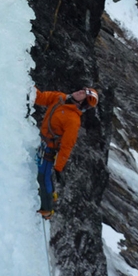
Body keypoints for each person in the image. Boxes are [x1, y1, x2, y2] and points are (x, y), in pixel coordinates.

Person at [34, 87, 99, 219]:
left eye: (84, 95)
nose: (80, 92)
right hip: (41, 142)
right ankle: (50, 195)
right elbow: (40, 98)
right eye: (82, 90)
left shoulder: (73, 120)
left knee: (43, 176)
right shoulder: (59, 98)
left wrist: (58, 167)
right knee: (41, 174)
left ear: (83, 104)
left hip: (49, 149)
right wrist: (25, 84)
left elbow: (67, 146)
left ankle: (47, 209)